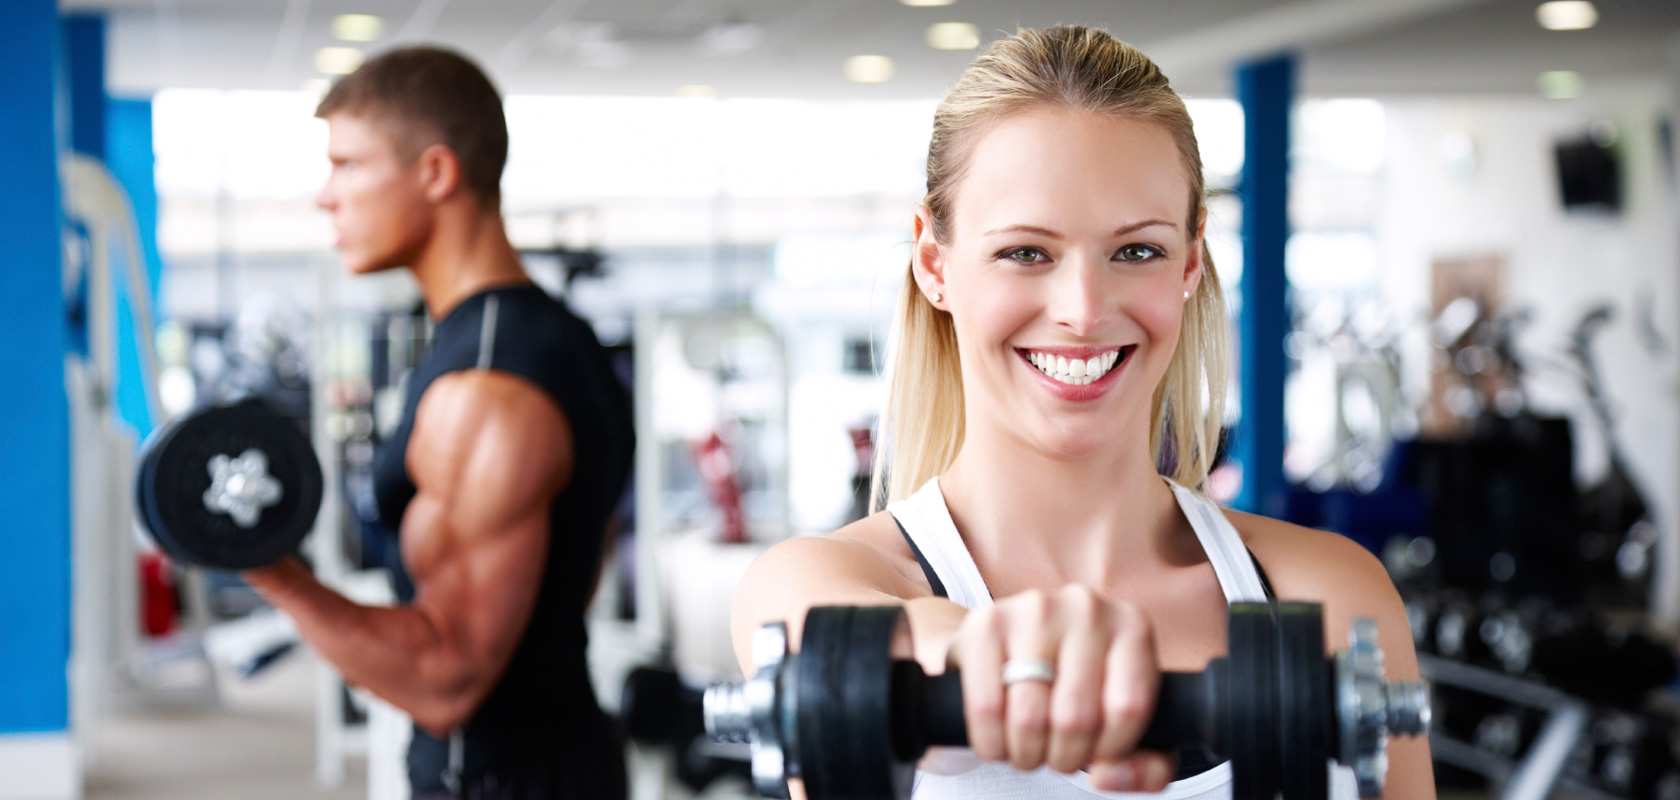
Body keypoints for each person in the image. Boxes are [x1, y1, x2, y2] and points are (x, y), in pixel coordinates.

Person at [731, 26, 1433, 800]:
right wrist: (995, 661)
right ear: (934, 263)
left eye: (1136, 252)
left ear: (1193, 260)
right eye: (1026, 252)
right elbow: (870, 653)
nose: (1084, 311)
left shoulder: (1334, 598)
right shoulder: (818, 583)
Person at [240, 47, 634, 799]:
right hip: (563, 752)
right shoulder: (552, 338)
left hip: (497, 776)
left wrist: (269, 569)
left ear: (435, 173)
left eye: (349, 164)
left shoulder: (486, 388)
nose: (326, 196)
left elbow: (446, 678)